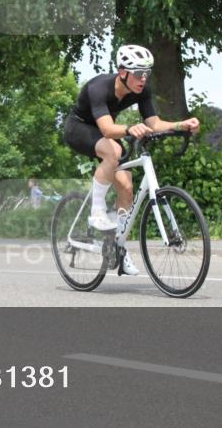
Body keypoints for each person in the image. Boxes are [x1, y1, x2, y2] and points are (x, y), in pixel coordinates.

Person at [62, 44, 200, 277]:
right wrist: (129, 128)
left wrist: (181, 124)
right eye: (138, 73)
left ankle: (118, 249)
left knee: (126, 186)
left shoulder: (141, 89)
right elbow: (106, 128)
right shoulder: (99, 87)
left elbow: (154, 123)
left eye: (147, 73)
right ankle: (97, 212)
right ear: (123, 72)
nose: (143, 79)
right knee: (113, 151)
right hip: (79, 129)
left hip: (108, 134)